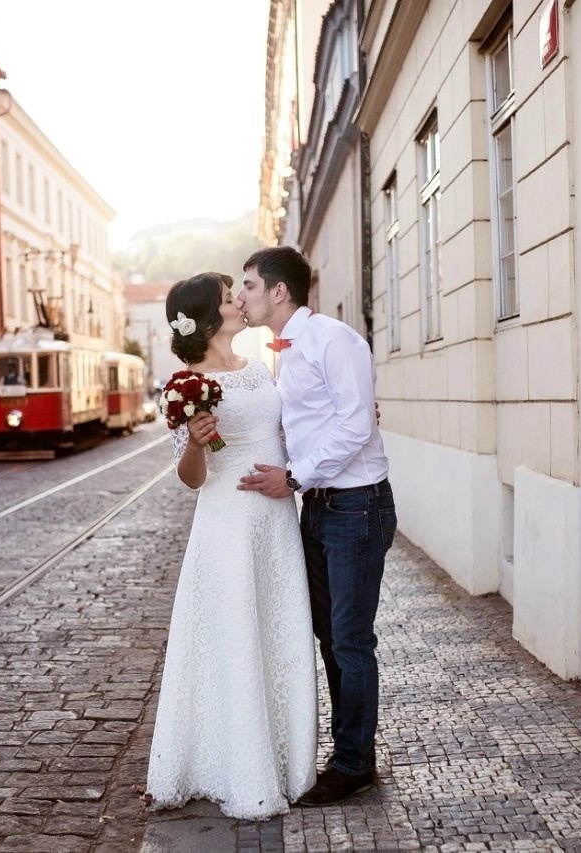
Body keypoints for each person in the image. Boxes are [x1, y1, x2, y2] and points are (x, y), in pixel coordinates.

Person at [146, 272, 317, 820]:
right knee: (235, 634)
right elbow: (192, 478)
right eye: (228, 298)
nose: (239, 301)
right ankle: (242, 769)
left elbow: (289, 430)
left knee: (279, 630)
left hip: (275, 519)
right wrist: (196, 443)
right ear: (207, 317)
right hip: (226, 522)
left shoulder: (259, 369)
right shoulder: (185, 385)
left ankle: (291, 760)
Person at [236, 246, 397, 807]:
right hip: (321, 509)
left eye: (250, 286)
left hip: (357, 506)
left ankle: (354, 763)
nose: (242, 296)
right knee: (329, 637)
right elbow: (300, 427)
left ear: (279, 291)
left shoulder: (335, 340)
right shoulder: (285, 353)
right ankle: (350, 750)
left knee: (351, 640)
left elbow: (355, 425)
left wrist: (295, 477)